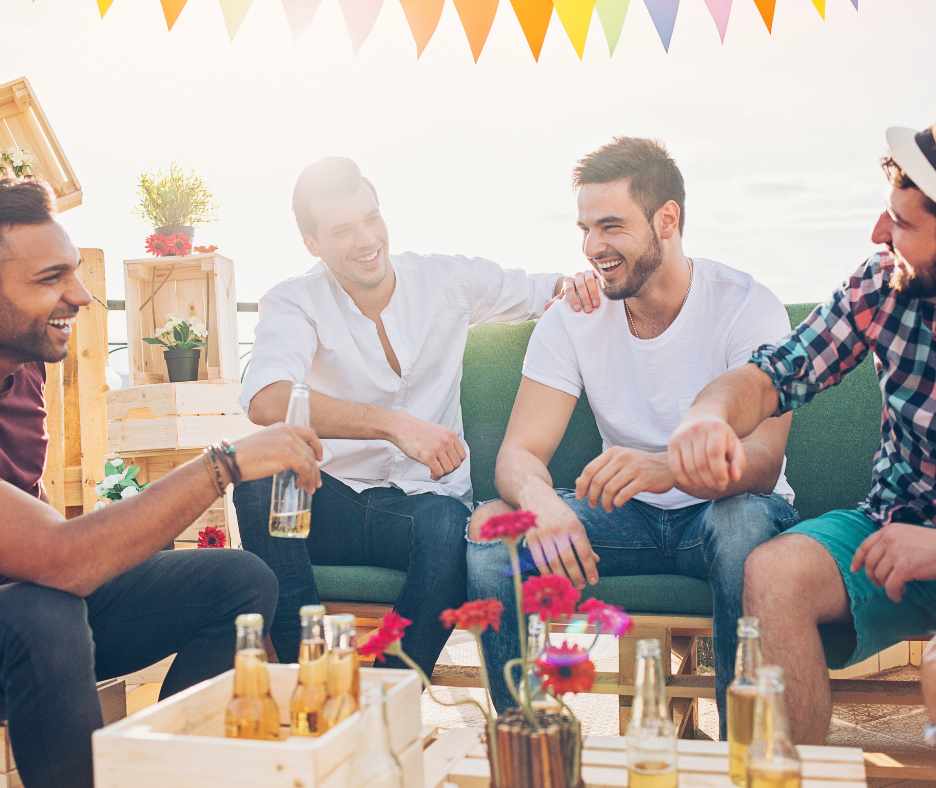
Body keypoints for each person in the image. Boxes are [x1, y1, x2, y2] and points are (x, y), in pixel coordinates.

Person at [0, 174, 325, 788]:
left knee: (241, 581)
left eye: (72, 271)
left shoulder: (24, 366)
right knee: (43, 610)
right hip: (26, 619)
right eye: (50, 280)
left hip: (32, 606)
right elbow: (62, 559)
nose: (81, 296)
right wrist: (223, 465)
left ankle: (162, 774)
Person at [467, 137, 799, 732]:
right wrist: (543, 503)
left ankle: (741, 757)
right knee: (496, 540)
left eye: (611, 226)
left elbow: (763, 461)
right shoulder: (574, 315)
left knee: (743, 524)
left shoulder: (746, 306)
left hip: (726, 511)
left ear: (666, 220)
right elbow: (518, 454)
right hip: (624, 520)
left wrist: (664, 468)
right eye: (586, 228)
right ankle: (535, 746)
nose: (594, 247)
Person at [235, 157, 598, 676]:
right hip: (330, 500)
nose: (367, 239)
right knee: (258, 481)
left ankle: (391, 689)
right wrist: (394, 424)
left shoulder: (444, 280)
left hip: (422, 510)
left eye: (372, 218)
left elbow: (547, 290)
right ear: (312, 244)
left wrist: (574, 286)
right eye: (343, 230)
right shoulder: (294, 302)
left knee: (453, 527)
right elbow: (266, 399)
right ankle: (308, 676)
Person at [668, 122, 936, 744]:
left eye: (902, 222)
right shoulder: (883, 283)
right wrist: (708, 415)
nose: (878, 233)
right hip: (888, 529)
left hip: (926, 543)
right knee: (773, 573)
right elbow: (773, 375)